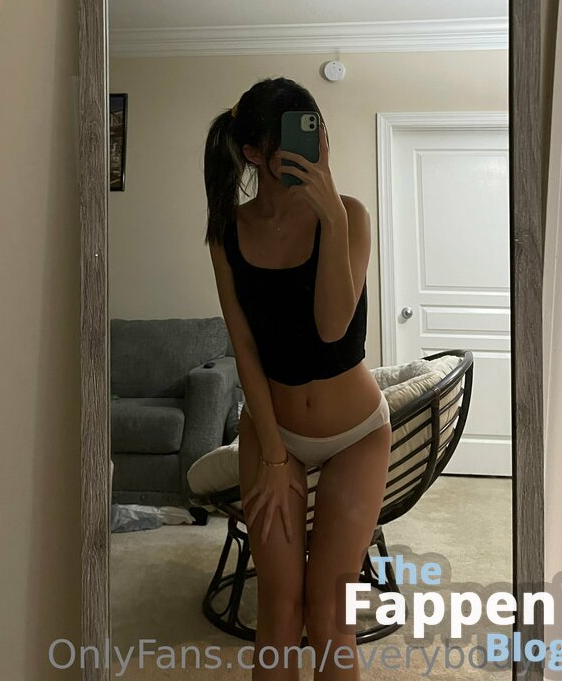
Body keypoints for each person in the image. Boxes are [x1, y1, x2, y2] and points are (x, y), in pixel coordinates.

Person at [203, 77, 392, 681]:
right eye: (285, 140)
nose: (303, 150)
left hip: (356, 434)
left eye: (312, 132)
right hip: (272, 429)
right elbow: (244, 348)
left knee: (330, 615)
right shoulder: (227, 231)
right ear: (253, 153)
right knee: (278, 612)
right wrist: (275, 454)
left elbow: (333, 329)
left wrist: (330, 216)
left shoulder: (350, 215)